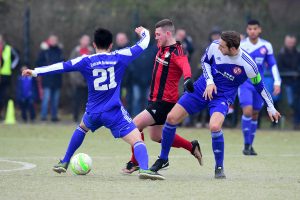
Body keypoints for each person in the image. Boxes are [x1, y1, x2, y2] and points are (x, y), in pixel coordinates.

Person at [22, 26, 165, 180]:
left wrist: (35, 72)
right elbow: (143, 44)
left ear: (94, 44)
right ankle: (144, 169)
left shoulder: (86, 60)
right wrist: (144, 32)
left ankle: (64, 162)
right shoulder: (120, 56)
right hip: (113, 112)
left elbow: (61, 66)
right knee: (137, 139)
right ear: (111, 45)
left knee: (82, 127)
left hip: (93, 112)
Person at [150, 31, 281, 179]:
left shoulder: (248, 64)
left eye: (223, 47)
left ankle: (219, 167)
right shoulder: (214, 46)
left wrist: (270, 107)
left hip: (223, 96)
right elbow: (205, 62)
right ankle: (163, 158)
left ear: (233, 49)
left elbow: (260, 86)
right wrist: (210, 82)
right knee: (171, 118)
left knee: (215, 126)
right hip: (202, 87)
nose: (219, 48)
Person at [122, 19, 202, 174]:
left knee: (134, 125)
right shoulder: (161, 46)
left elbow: (185, 64)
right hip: (155, 100)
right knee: (157, 136)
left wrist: (187, 78)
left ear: (168, 34)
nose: (156, 38)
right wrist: (144, 33)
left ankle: (135, 161)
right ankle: (191, 146)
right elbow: (149, 38)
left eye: (158, 35)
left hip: (164, 101)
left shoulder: (177, 51)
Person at [239, 20, 281, 155]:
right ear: (247, 30)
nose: (252, 31)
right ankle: (246, 145)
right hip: (245, 83)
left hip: (259, 84)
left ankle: (250, 145)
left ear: (259, 30)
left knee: (255, 113)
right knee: (247, 111)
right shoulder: (241, 45)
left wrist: (277, 82)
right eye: (250, 29)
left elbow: (272, 64)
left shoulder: (266, 45)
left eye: (255, 29)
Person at [36, 34, 64, 122]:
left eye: (55, 40)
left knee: (55, 100)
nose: (53, 42)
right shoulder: (44, 51)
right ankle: (43, 116)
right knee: (46, 99)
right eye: (52, 40)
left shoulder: (59, 51)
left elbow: (64, 63)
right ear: (49, 40)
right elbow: (38, 62)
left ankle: (54, 116)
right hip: (47, 79)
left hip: (57, 79)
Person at [277, 34, 300, 129]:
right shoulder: (281, 54)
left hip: (297, 82)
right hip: (286, 83)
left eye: (292, 42)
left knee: (296, 102)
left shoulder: (297, 53)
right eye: (289, 42)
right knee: (291, 102)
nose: (290, 44)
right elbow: (279, 67)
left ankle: (296, 122)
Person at [69, 35, 93, 122]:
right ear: (80, 41)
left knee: (89, 101)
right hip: (77, 82)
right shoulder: (75, 52)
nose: (86, 42)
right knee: (77, 100)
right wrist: (75, 80)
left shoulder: (92, 51)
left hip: (89, 81)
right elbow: (71, 66)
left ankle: (88, 118)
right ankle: (75, 117)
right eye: (84, 40)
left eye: (87, 40)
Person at [0, 34, 19, 120]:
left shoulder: (9, 49)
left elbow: (16, 58)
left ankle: (2, 113)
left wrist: (12, 66)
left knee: (4, 96)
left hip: (6, 76)